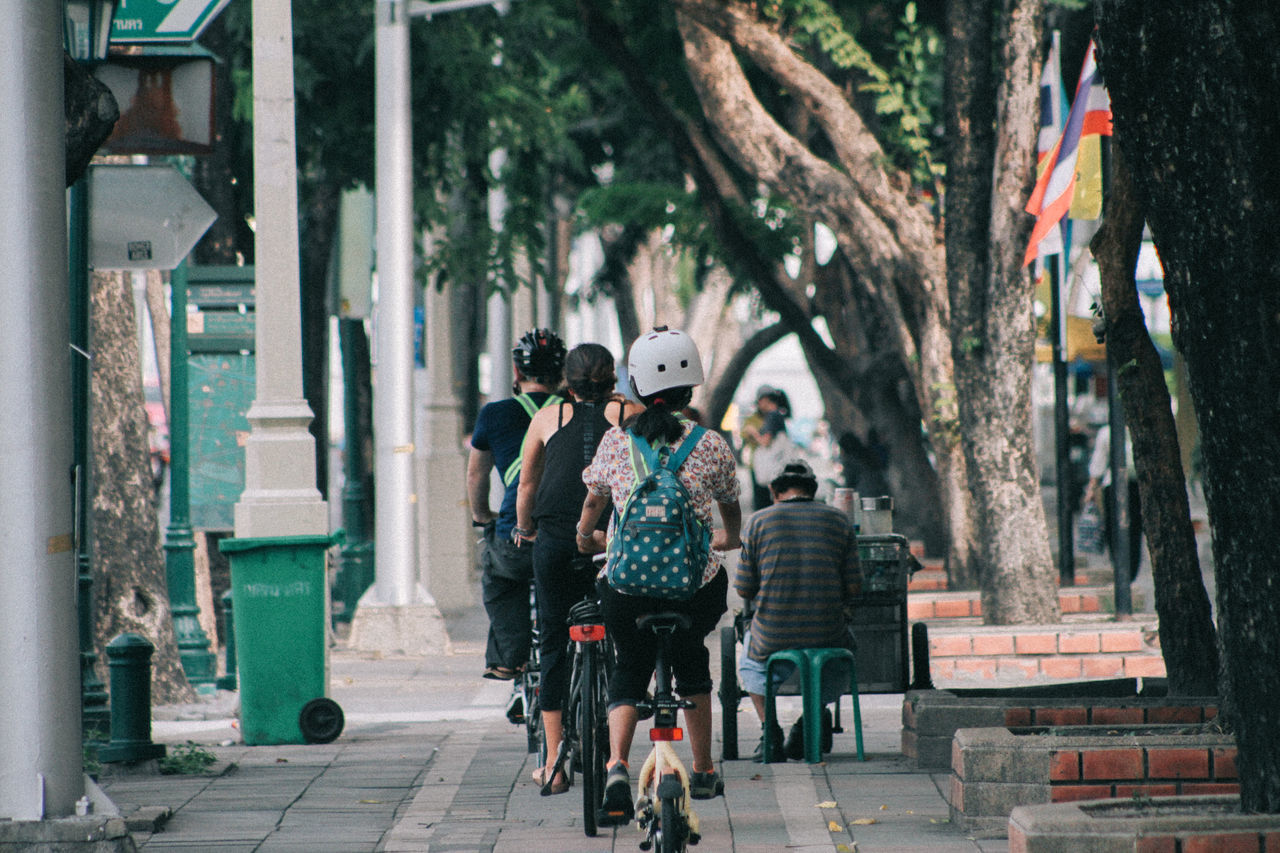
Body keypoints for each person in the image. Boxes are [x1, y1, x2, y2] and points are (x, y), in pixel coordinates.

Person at [576, 327, 742, 821]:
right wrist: (728, 539)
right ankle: (706, 769)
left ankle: (616, 766)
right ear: (691, 389)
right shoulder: (710, 445)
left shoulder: (616, 441)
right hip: (692, 589)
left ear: (638, 387)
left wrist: (587, 536)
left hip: (627, 587)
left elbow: (592, 502)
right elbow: (730, 509)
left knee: (629, 664)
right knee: (692, 661)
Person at [513, 343, 642, 794]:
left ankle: (552, 762)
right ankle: (616, 759)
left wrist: (524, 526)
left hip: (554, 541)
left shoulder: (549, 418)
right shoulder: (631, 414)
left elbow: (528, 482)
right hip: (616, 543)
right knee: (626, 639)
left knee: (552, 643)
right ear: (613, 379)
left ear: (567, 382)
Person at [735, 460, 862, 761]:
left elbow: (743, 589)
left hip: (773, 635)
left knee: (751, 665)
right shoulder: (839, 520)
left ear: (774, 491)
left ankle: (770, 730)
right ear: (813, 490)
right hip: (827, 633)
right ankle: (811, 718)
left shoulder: (757, 522)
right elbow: (855, 587)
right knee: (842, 652)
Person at [466, 328, 566, 682]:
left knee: (499, 576)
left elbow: (477, 476)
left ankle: (508, 658)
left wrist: (482, 516)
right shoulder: (576, 411)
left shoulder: (494, 414)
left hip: (517, 539)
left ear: (517, 373)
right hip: (572, 536)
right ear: (561, 373)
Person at [1083, 422, 1142, 580]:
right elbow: (1099, 461)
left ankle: (1126, 571)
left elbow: (1098, 462)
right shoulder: (1107, 433)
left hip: (1132, 485)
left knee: (1127, 528)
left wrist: (1092, 487)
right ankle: (1123, 569)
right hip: (1120, 485)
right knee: (1120, 528)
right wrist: (1092, 487)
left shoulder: (1110, 432)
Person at [741, 385, 793, 510]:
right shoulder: (779, 415)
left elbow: (765, 442)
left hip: (769, 466)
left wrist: (753, 432)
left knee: (764, 502)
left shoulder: (772, 416)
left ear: (766, 400)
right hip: (773, 465)